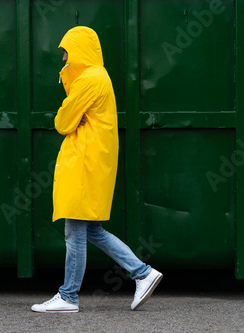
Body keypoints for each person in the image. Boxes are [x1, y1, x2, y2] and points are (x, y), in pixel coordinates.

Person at [31, 26, 162, 313]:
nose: (64, 60)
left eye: (66, 53)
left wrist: (70, 115)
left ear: (79, 51)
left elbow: (63, 121)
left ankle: (68, 296)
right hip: (90, 162)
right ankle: (142, 272)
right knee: (92, 230)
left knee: (74, 231)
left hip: (83, 163)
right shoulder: (98, 77)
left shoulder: (89, 79)